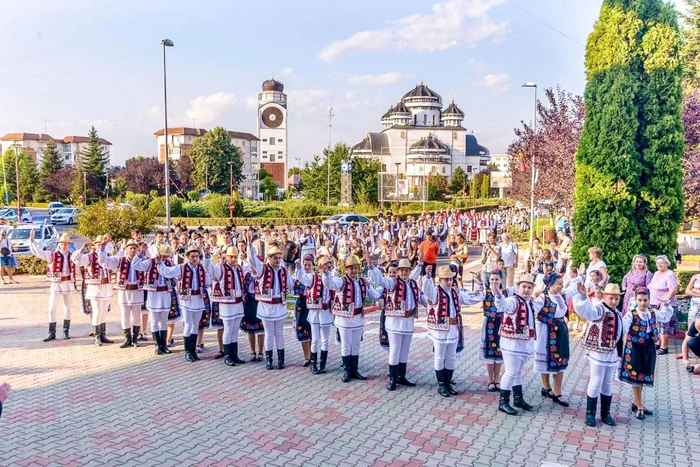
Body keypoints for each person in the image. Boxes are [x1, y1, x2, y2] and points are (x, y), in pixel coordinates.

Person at [422, 265, 483, 397]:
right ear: (440, 280)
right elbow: (427, 290)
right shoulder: (436, 292)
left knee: (451, 357)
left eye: (450, 279)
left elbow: (471, 298)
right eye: (446, 280)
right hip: (440, 330)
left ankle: (448, 382)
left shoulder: (456, 291)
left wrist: (479, 283)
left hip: (453, 329)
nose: (449, 282)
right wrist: (427, 277)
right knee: (439, 356)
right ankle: (441, 384)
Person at [323, 255, 383, 383]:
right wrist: (327, 274)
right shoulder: (342, 281)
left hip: (358, 318)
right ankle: (347, 370)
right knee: (346, 345)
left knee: (356, 344)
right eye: (351, 268)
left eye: (355, 268)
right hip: (345, 319)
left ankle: (354, 369)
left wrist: (381, 288)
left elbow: (373, 294)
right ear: (346, 269)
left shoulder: (362, 282)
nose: (354, 271)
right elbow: (330, 284)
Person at [572, 282, 624, 427]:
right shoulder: (599, 310)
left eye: (616, 299)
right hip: (598, 352)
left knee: (608, 383)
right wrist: (583, 296)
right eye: (611, 298)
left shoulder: (618, 313)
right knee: (596, 380)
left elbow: (621, 330)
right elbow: (585, 311)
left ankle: (605, 413)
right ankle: (590, 414)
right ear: (605, 297)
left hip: (611, 353)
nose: (613, 301)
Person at [369, 258, 425, 391]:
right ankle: (393, 378)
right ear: (398, 271)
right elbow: (381, 280)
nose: (404, 272)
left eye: (406, 270)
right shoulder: (393, 283)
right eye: (402, 270)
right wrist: (372, 268)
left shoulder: (412, 284)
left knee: (404, 350)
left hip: (408, 322)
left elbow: (421, 295)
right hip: (395, 322)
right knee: (394, 350)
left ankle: (402, 376)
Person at [619, 288, 674, 420]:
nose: (642, 303)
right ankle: (639, 405)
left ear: (649, 300)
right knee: (635, 375)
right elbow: (624, 328)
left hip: (648, 346)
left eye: (645, 300)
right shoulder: (631, 314)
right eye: (640, 300)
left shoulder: (652, 312)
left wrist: (666, 304)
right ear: (635, 300)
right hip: (634, 347)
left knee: (643, 375)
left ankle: (636, 402)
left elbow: (666, 316)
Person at [247, 231, 296, 370]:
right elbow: (252, 259)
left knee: (279, 333)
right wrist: (250, 245)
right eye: (275, 257)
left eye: (279, 257)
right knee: (268, 333)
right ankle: (269, 360)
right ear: (270, 258)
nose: (278, 260)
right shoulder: (262, 268)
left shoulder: (283, 271)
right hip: (266, 306)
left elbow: (291, 284)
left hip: (280, 305)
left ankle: (281, 359)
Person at [157, 245, 212, 362]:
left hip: (199, 299)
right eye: (192, 256)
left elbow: (208, 280)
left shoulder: (201, 268)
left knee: (196, 325)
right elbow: (167, 272)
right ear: (187, 257)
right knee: (188, 324)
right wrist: (160, 262)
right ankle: (187, 351)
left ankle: (193, 350)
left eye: (197, 256)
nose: (195, 259)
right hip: (187, 299)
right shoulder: (181, 267)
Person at [493, 274, 537, 415]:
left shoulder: (529, 301)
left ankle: (518, 399)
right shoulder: (513, 300)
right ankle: (503, 402)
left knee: (517, 372)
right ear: (518, 287)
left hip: (523, 343)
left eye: (529, 287)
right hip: (511, 343)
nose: (526, 290)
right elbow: (502, 306)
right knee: (511, 372)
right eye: (524, 287)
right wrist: (499, 295)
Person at [534, 272, 577, 407]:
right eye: (559, 284)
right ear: (550, 284)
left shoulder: (561, 295)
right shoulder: (543, 298)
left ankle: (557, 391)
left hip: (560, 330)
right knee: (546, 359)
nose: (561, 286)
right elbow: (533, 311)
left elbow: (574, 289)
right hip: (546, 331)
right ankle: (546, 387)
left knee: (560, 360)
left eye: (561, 283)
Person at [98, 239, 147, 349]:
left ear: (138, 249)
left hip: (137, 291)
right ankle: (127, 338)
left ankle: (135, 338)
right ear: (126, 249)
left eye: (135, 248)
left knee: (137, 316)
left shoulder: (142, 260)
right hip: (124, 291)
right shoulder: (120, 260)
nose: (133, 250)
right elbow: (104, 262)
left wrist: (143, 253)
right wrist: (102, 249)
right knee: (125, 315)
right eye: (131, 248)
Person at [132, 244, 179, 356]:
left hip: (165, 293)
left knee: (164, 320)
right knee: (154, 320)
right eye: (163, 255)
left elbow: (175, 275)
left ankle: (164, 344)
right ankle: (157, 344)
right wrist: (141, 253)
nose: (164, 258)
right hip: (154, 294)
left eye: (166, 256)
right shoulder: (150, 262)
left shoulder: (169, 263)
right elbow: (135, 265)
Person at [204, 245, 247, 366]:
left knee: (234, 330)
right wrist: (207, 256)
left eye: (235, 257)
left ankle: (234, 354)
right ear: (226, 257)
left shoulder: (239, 268)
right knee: (228, 329)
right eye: (231, 257)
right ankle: (227, 355)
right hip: (227, 304)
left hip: (238, 302)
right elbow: (209, 268)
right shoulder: (220, 268)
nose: (233, 259)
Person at [30, 232, 75, 341]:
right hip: (56, 284)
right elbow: (39, 252)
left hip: (68, 283)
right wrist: (32, 240)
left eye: (66, 244)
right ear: (59, 244)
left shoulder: (72, 256)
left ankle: (66, 331)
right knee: (52, 308)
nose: (64, 246)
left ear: (68, 244)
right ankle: (52, 332)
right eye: (62, 244)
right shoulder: (52, 254)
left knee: (67, 307)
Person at [72, 236, 116, 346]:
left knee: (104, 311)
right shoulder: (89, 257)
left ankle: (102, 334)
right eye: (98, 244)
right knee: (97, 311)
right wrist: (82, 249)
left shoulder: (108, 256)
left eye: (102, 244)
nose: (100, 246)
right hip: (95, 288)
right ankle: (97, 336)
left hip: (106, 286)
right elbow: (76, 260)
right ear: (94, 245)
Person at [295, 255, 334, 374]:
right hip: (314, 311)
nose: (325, 268)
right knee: (315, 338)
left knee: (325, 339)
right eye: (322, 265)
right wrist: (298, 268)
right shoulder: (313, 277)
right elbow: (303, 278)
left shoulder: (332, 278)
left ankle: (323, 364)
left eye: (327, 265)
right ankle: (313, 364)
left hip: (326, 311)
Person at [477, 269, 507, 392]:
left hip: (501, 323)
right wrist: (479, 281)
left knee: (499, 352)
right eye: (492, 279)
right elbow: (477, 294)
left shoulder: (505, 292)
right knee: (490, 353)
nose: (494, 281)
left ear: (501, 280)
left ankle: (497, 379)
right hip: (489, 323)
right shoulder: (486, 292)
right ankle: (491, 380)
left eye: (496, 279)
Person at [648, 255, 678, 355]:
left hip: (665, 304)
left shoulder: (670, 274)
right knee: (656, 325)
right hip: (654, 303)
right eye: (658, 263)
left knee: (663, 326)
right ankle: (658, 343)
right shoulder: (656, 273)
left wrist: (665, 301)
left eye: (662, 262)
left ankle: (664, 347)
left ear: (667, 263)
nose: (659, 265)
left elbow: (673, 290)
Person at [292, 255, 314, 367]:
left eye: (309, 265)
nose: (306, 267)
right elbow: (294, 281)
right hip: (301, 304)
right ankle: (307, 356)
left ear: (313, 266)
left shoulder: (315, 277)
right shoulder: (298, 275)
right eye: (305, 265)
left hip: (312, 304)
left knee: (312, 330)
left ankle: (312, 354)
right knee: (302, 328)